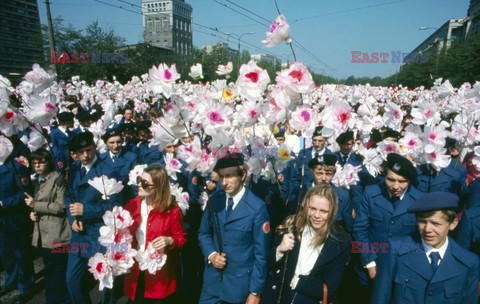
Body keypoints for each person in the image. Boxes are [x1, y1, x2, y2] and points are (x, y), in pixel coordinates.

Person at [371, 192, 479, 303]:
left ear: (453, 223)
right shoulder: (397, 250)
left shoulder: (468, 263)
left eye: (435, 223)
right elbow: (380, 298)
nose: (427, 229)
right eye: (422, 222)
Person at [198, 152, 271, 304]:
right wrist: (212, 255)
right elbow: (204, 233)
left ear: (243, 175)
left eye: (230, 176)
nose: (224, 182)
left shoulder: (257, 208)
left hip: (238, 289)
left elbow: (261, 254)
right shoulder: (215, 201)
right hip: (212, 286)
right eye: (222, 176)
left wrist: (255, 292)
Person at [262, 185, 351, 304]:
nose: (317, 215)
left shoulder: (341, 241)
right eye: (312, 208)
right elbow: (269, 265)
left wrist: (297, 282)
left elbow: (330, 286)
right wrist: (279, 250)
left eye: (323, 211)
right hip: (280, 297)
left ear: (332, 211)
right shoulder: (291, 225)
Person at [352, 153, 422, 299]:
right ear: (384, 175)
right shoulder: (371, 193)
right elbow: (360, 230)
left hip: (403, 268)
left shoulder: (419, 200)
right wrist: (369, 262)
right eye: (390, 180)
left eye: (402, 181)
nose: (395, 186)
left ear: (409, 180)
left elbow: (419, 238)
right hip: (372, 263)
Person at [65, 131, 123, 304]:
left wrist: (86, 210)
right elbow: (69, 196)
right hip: (79, 233)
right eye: (81, 152)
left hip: (100, 234)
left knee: (105, 281)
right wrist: (72, 218)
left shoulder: (108, 170)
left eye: (89, 150)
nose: (86, 155)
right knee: (72, 280)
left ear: (95, 148)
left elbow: (116, 206)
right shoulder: (75, 169)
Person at [123, 164, 186, 303]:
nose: (139, 184)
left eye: (144, 183)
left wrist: (169, 240)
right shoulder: (132, 205)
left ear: (158, 186)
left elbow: (181, 237)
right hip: (135, 269)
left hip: (158, 275)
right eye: (139, 180)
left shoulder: (172, 210)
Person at [25, 148, 71, 304]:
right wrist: (33, 213)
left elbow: (60, 207)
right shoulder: (36, 180)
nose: (37, 166)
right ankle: (55, 298)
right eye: (34, 163)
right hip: (42, 233)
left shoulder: (57, 179)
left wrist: (36, 205)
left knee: (57, 269)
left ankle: (60, 299)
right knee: (51, 268)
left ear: (48, 162)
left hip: (57, 232)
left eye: (41, 162)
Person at [0, 142, 34, 304]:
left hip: (14, 218)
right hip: (2, 220)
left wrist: (3, 203)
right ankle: (11, 281)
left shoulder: (15, 167)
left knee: (21, 254)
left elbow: (25, 193)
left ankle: (25, 286)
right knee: (6, 252)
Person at [99, 128, 137, 200]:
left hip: (126, 197)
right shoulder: (100, 159)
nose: (116, 146)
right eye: (112, 142)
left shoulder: (131, 157)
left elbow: (134, 183)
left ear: (123, 141)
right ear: (106, 143)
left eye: (118, 142)